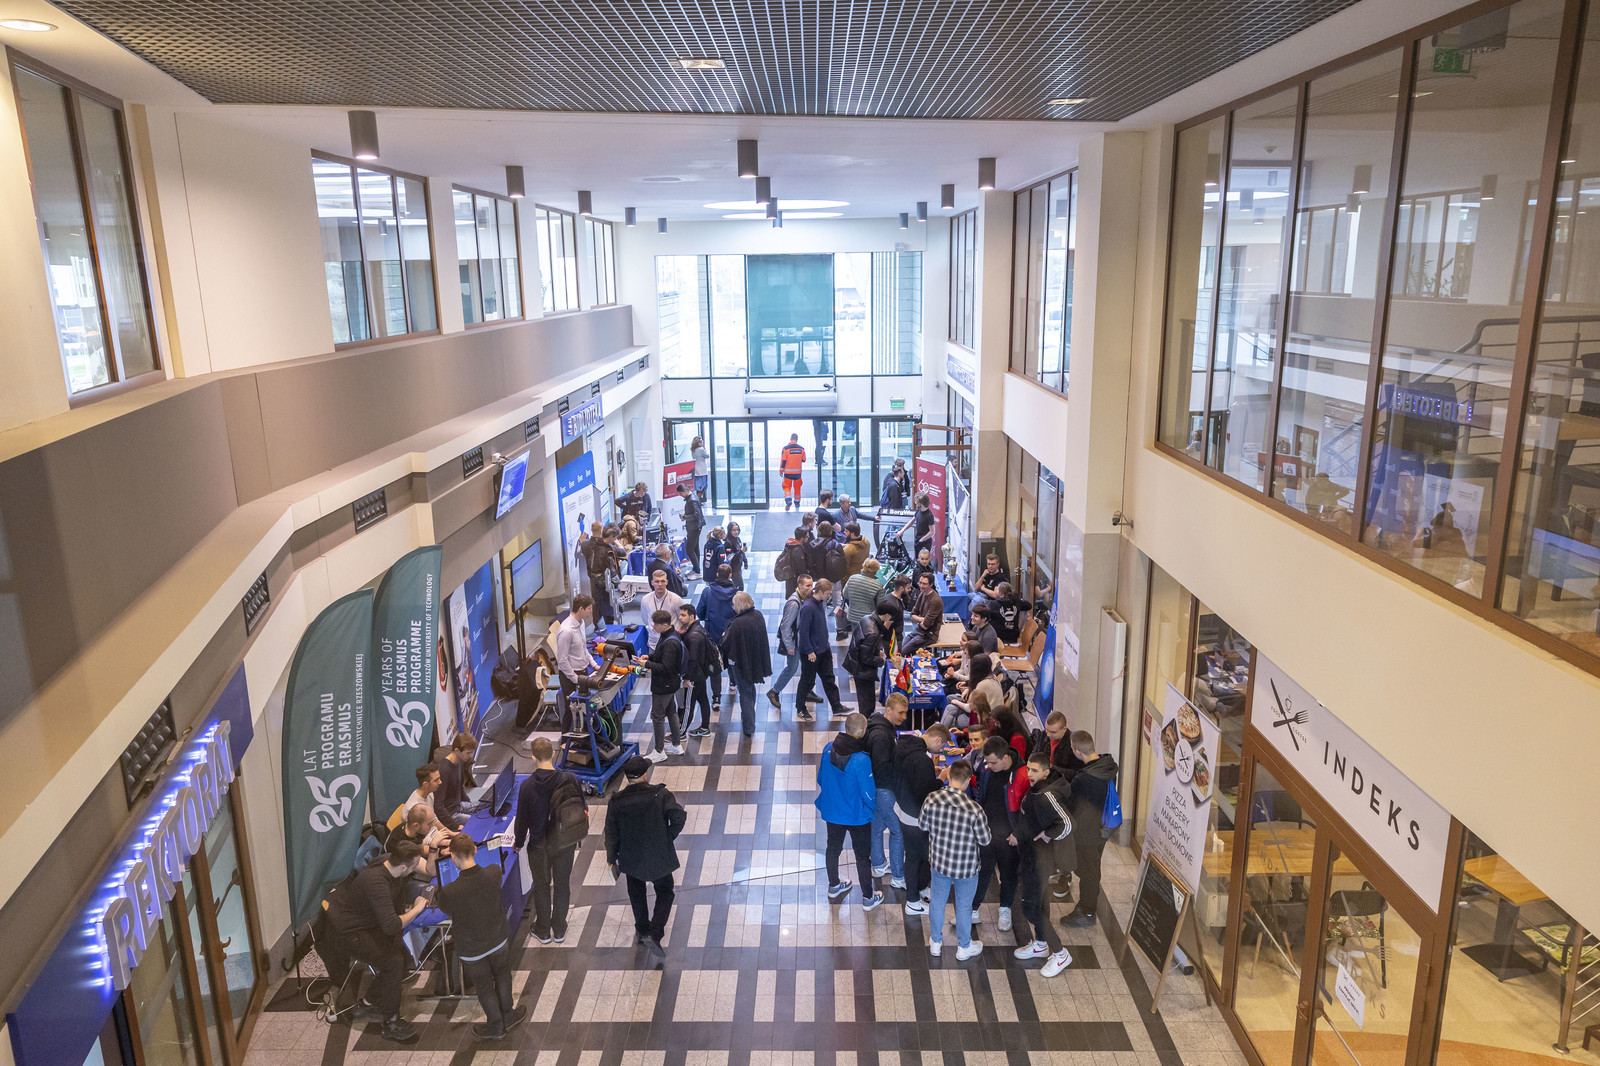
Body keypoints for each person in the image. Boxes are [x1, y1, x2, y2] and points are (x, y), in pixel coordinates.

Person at [329, 838, 429, 1044]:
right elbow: (391, 925)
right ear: (403, 867)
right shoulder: (377, 883)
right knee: (393, 962)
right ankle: (391, 1023)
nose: (414, 870)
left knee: (399, 953)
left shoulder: (391, 865)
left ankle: (370, 1002)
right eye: (413, 867)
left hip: (371, 924)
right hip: (353, 934)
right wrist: (417, 910)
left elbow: (394, 910)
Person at [436, 834, 528, 1040]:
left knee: (484, 986)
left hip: (472, 949)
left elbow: (446, 909)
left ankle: (496, 1026)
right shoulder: (493, 873)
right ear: (475, 850)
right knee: (503, 975)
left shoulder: (449, 891)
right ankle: (509, 1015)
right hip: (497, 938)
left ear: (452, 856)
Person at [604, 755, 688, 954]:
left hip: (631, 857)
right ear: (645, 775)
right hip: (658, 854)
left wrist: (611, 859)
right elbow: (678, 817)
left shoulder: (616, 801)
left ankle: (642, 930)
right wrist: (668, 837)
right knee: (665, 891)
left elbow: (611, 833)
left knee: (636, 893)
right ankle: (655, 932)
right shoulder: (660, 795)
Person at [512, 737, 586, 944]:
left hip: (539, 846)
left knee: (542, 886)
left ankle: (543, 930)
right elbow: (582, 806)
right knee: (562, 885)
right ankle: (559, 929)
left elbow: (522, 819)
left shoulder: (527, 786)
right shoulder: (570, 778)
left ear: (533, 757)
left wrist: (519, 842)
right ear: (553, 753)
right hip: (564, 843)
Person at [919, 760, 989, 960]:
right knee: (964, 907)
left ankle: (936, 942)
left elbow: (922, 825)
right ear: (968, 780)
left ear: (948, 777)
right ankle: (964, 947)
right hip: (966, 867)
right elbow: (985, 840)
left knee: (937, 903)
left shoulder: (932, 798)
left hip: (939, 862)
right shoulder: (974, 809)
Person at [1013, 752, 1075, 977]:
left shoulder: (1046, 795)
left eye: (1035, 771)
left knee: (1030, 907)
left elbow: (1067, 824)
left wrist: (1048, 834)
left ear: (1046, 772)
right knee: (1039, 901)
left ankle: (1060, 953)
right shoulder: (1038, 789)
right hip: (1032, 855)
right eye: (1029, 769)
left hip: (1039, 859)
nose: (1030, 774)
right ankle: (1040, 943)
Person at [815, 712, 882, 910]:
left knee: (832, 848)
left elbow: (820, 778)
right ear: (861, 731)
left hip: (832, 812)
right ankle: (868, 897)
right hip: (857, 816)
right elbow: (868, 792)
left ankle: (834, 886)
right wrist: (870, 807)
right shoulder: (861, 759)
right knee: (862, 856)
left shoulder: (828, 748)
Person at [1060, 730, 1119, 929]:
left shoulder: (1084, 779)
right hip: (1102, 828)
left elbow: (1071, 804)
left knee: (1089, 873)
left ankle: (1087, 912)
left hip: (1086, 833)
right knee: (1092, 869)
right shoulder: (1107, 766)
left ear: (1076, 751)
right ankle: (1086, 907)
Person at [974, 736, 1028, 937]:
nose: (989, 766)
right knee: (981, 872)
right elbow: (981, 796)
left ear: (1005, 757)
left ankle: (1005, 909)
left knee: (1008, 874)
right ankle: (973, 909)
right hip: (986, 833)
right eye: (987, 762)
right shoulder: (987, 770)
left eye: (993, 762)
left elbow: (1028, 810)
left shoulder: (1023, 775)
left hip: (1009, 837)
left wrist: (1017, 832)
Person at [894, 723, 949, 915]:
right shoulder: (922, 759)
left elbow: (913, 778)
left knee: (918, 856)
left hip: (902, 807)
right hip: (915, 816)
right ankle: (912, 901)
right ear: (938, 739)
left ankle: (920, 888)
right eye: (941, 746)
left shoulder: (904, 745)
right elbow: (927, 792)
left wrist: (930, 774)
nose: (940, 750)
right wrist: (941, 779)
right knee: (915, 858)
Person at [865, 692, 908, 887]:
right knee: (898, 831)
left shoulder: (879, 727)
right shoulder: (882, 736)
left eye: (905, 713)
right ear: (888, 710)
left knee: (877, 827)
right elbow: (882, 767)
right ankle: (898, 877)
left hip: (875, 787)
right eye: (900, 713)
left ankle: (878, 864)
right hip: (884, 789)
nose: (903, 717)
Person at [635, 610, 688, 758]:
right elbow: (662, 656)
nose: (653, 628)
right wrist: (649, 657)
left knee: (657, 716)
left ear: (665, 625)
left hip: (664, 685)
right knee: (671, 712)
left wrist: (646, 664)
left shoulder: (670, 643)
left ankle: (659, 751)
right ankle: (676, 745)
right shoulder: (670, 635)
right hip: (670, 684)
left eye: (656, 625)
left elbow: (666, 668)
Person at [719, 591, 771, 737]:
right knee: (750, 688)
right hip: (755, 659)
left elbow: (726, 643)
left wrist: (724, 636)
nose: (733, 607)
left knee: (745, 693)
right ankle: (749, 718)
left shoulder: (738, 623)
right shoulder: (758, 615)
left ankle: (749, 726)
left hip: (741, 662)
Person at [796, 578, 847, 720]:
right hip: (811, 653)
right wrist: (810, 651)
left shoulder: (819, 604)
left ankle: (836, 707)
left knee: (829, 679)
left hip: (824, 649)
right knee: (807, 681)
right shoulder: (808, 607)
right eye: (827, 593)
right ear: (820, 591)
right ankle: (800, 708)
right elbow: (803, 633)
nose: (829, 596)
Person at [555, 596, 601, 731]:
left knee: (586, 709)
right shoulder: (566, 631)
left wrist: (594, 664)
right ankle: (565, 739)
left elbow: (583, 648)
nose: (590, 612)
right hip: (570, 676)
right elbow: (562, 661)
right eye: (589, 609)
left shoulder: (581, 623)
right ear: (581, 609)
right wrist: (576, 679)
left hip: (583, 672)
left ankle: (585, 738)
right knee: (571, 711)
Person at [696, 564, 737, 715]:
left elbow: (700, 612)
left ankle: (716, 697)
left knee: (715, 664)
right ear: (730, 575)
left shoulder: (708, 592)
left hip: (712, 634)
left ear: (717, 575)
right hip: (731, 634)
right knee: (731, 659)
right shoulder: (737, 593)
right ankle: (733, 682)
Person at [769, 573, 813, 711]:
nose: (811, 588)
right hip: (794, 643)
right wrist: (789, 646)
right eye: (807, 586)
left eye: (811, 585)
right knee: (791, 668)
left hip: (802, 641)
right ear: (800, 586)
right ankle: (774, 691)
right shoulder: (794, 603)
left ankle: (807, 690)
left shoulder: (804, 598)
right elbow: (785, 626)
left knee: (808, 666)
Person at [844, 602, 895, 716]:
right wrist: (881, 660)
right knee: (867, 705)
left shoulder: (866, 618)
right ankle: (866, 725)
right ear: (887, 615)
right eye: (891, 616)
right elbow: (866, 658)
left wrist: (877, 650)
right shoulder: (873, 632)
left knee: (864, 700)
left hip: (855, 664)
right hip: (863, 671)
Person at [676, 603, 717, 737]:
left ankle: (681, 734)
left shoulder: (693, 635)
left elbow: (692, 659)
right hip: (701, 674)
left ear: (692, 616)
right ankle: (704, 727)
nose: (680, 618)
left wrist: (687, 678)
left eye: (683, 615)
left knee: (688, 705)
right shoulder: (697, 629)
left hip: (694, 676)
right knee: (703, 699)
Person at [433, 734, 477, 829]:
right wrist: (455, 826)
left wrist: (469, 803)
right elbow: (438, 806)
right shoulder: (444, 770)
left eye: (472, 752)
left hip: (458, 805)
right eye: (468, 753)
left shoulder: (459, 761)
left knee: (482, 811)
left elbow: (459, 788)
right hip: (451, 814)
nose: (471, 756)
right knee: (476, 823)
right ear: (457, 750)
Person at [582, 520, 620, 625]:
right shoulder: (606, 546)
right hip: (605, 579)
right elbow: (622, 552)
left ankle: (597, 625)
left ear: (591, 529)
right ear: (602, 530)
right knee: (608, 601)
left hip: (592, 577)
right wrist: (616, 543)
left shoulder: (585, 544)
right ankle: (609, 623)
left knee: (596, 603)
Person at [638, 569, 685, 651]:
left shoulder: (676, 599)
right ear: (652, 583)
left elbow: (683, 620)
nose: (660, 584)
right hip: (653, 644)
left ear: (666, 582)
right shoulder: (645, 599)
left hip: (670, 644)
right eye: (657, 581)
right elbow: (645, 619)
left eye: (662, 581)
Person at [902, 571, 944, 655]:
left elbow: (926, 625)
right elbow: (912, 615)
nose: (921, 586)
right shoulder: (922, 594)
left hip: (929, 635)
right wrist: (923, 619)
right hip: (919, 630)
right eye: (920, 583)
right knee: (899, 648)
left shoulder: (935, 601)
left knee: (903, 651)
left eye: (924, 584)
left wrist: (920, 619)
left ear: (931, 584)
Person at [843, 557, 885, 632]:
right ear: (876, 569)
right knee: (867, 638)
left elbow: (845, 595)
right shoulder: (878, 585)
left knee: (855, 637)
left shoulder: (852, 578)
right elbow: (880, 606)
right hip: (869, 619)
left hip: (853, 616)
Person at [677, 484, 704, 578]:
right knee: (695, 548)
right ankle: (696, 569)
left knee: (689, 549)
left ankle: (697, 571)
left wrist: (685, 517)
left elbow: (696, 515)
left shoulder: (692, 500)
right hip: (696, 526)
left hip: (694, 527)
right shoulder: (692, 497)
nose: (680, 495)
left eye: (681, 493)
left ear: (685, 491)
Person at [775, 526, 811, 598]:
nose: (808, 538)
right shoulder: (797, 551)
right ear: (802, 539)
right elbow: (801, 570)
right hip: (795, 584)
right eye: (807, 537)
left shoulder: (792, 545)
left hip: (791, 582)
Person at [876, 576, 910, 648]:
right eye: (908, 588)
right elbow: (886, 626)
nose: (910, 590)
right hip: (892, 642)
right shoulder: (893, 605)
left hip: (893, 639)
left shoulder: (890, 597)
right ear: (901, 588)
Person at [897, 493, 935, 559]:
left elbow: (932, 532)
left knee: (924, 560)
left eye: (917, 502)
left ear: (921, 503)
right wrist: (902, 530)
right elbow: (912, 521)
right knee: (917, 559)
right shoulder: (918, 511)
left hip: (925, 542)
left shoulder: (929, 515)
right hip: (918, 539)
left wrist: (922, 539)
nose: (915, 503)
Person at [780, 432, 806, 510]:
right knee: (797, 487)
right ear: (797, 439)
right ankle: (797, 503)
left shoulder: (785, 449)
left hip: (788, 473)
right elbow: (804, 460)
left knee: (787, 486)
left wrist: (781, 471)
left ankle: (788, 500)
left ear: (790, 438)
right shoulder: (801, 449)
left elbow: (783, 461)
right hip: (798, 473)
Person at [724, 520, 749, 590]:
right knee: (739, 586)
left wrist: (745, 561)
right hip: (734, 568)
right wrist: (741, 551)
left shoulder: (737, 539)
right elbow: (731, 558)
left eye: (737, 530)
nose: (736, 532)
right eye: (734, 530)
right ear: (730, 531)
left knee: (738, 585)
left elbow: (742, 552)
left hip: (738, 565)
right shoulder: (728, 543)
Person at [691, 435, 710, 501]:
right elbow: (707, 456)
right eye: (700, 442)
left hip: (696, 471)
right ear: (697, 443)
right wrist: (705, 449)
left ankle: (697, 500)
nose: (702, 443)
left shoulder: (693, 449)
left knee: (698, 487)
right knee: (703, 487)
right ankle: (697, 501)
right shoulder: (701, 449)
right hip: (702, 471)